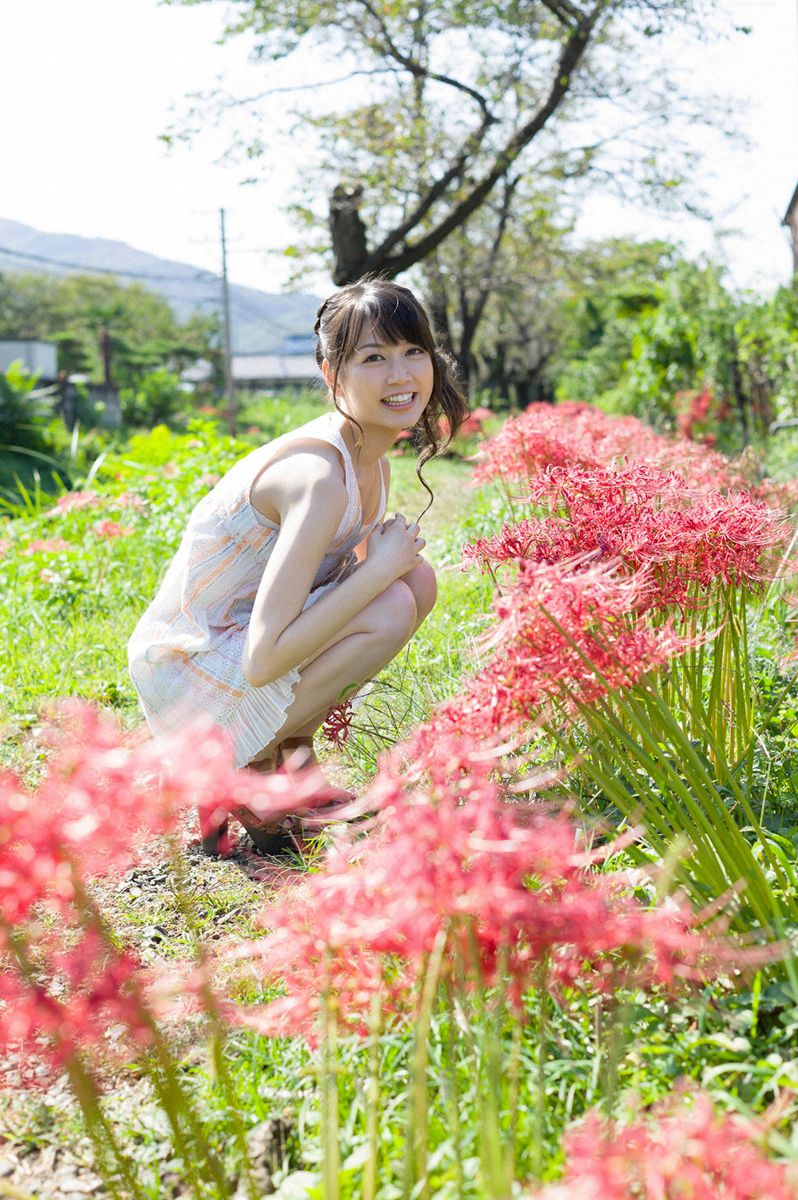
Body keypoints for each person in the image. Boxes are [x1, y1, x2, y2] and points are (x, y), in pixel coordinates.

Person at [128, 278, 468, 854]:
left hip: (233, 644)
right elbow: (264, 660)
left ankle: (287, 762)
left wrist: (383, 571)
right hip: (191, 666)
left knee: (416, 581)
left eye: (413, 351)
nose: (401, 374)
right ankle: (238, 769)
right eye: (373, 358)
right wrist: (376, 571)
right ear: (332, 374)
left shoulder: (370, 458)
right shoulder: (317, 476)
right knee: (389, 600)